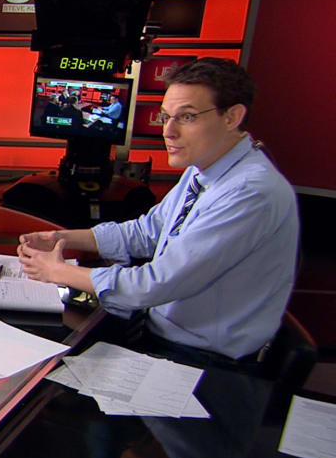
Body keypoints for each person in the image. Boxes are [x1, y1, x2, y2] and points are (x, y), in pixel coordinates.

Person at [17, 58, 299, 361]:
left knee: (49, 366)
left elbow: (154, 284)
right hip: (157, 328)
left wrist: (58, 271)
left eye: (187, 117)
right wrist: (61, 238)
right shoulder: (204, 168)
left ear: (232, 117)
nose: (168, 132)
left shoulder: (250, 193)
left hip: (200, 358)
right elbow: (146, 232)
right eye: (166, 117)